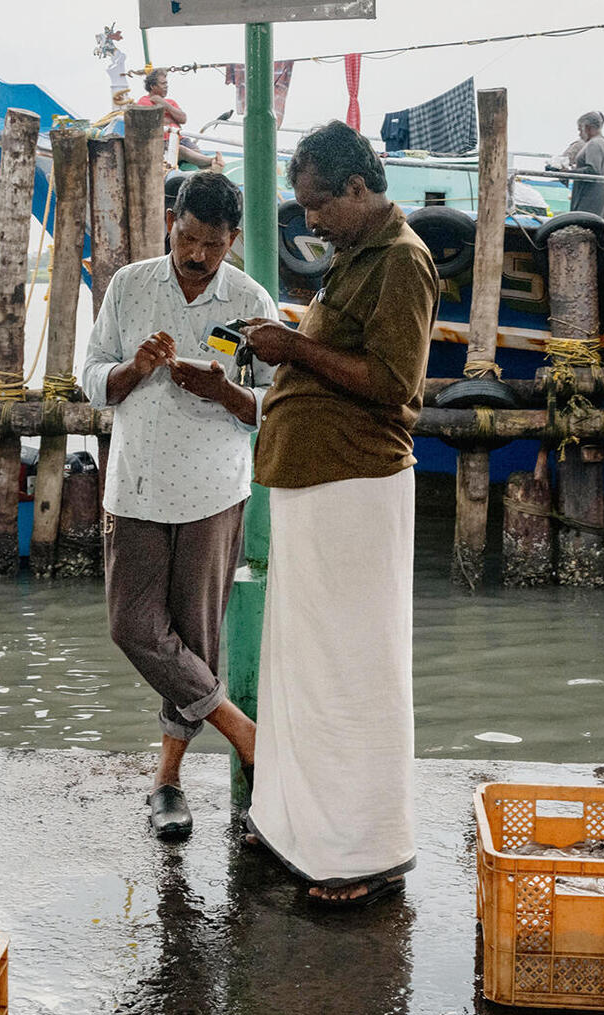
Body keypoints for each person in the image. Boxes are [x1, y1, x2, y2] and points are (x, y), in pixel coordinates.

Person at [238, 120, 440, 907]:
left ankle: (364, 850)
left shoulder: (402, 261)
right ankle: (296, 824)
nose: (309, 220)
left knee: (354, 669)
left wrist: (295, 350)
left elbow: (396, 384)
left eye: (318, 204)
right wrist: (290, 343)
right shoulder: (357, 255)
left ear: (359, 189)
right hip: (317, 484)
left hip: (356, 484)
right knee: (303, 664)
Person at [81, 170, 272, 841]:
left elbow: (280, 406)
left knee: (193, 641)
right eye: (189, 238)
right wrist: (133, 369)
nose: (197, 255)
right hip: (134, 485)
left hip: (213, 491)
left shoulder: (251, 301)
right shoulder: (130, 285)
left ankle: (166, 783)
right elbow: (91, 374)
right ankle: (243, 732)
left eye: (212, 245)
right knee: (132, 626)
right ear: (171, 221)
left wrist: (225, 393)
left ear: (233, 241)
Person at [138, 68, 224, 170]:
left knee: (195, 153)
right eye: (163, 83)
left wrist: (164, 104)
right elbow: (152, 123)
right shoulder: (143, 102)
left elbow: (183, 119)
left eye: (167, 83)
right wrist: (170, 117)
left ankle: (209, 167)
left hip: (181, 139)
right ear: (152, 86)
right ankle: (212, 161)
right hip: (162, 142)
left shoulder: (170, 102)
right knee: (181, 150)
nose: (166, 86)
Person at [565, 111, 604, 217]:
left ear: (587, 127)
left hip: (589, 198)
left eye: (580, 129)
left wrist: (568, 172)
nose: (579, 134)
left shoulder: (594, 144)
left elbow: (593, 171)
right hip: (601, 197)